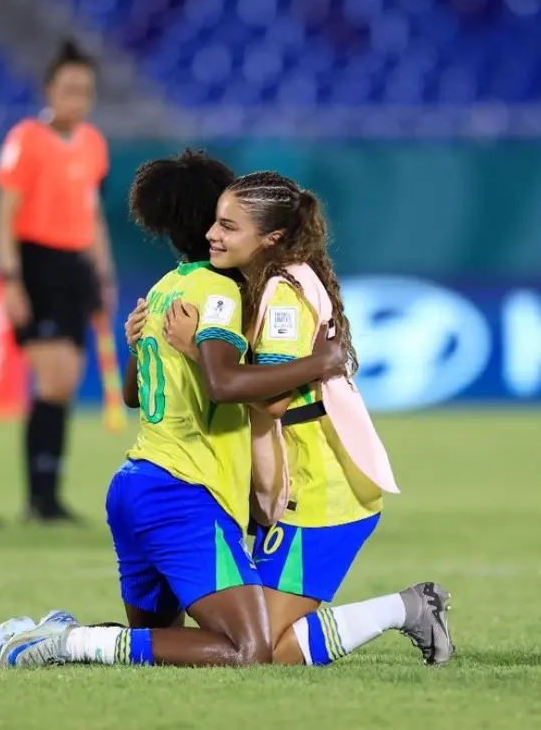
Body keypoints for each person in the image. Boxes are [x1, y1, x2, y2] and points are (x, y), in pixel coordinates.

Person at [0, 151, 348, 668]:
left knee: (158, 652)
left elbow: (136, 394)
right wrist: (320, 361)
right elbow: (227, 383)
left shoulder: (165, 288)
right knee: (248, 651)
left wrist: (138, 348)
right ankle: (69, 641)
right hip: (183, 493)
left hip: (134, 486)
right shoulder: (220, 292)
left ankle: (41, 639)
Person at [157, 171, 453, 666]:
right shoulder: (275, 279)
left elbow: (273, 400)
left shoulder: (283, 293)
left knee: (260, 650)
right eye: (215, 222)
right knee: (244, 636)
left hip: (322, 489)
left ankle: (406, 608)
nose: (213, 234)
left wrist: (193, 350)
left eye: (229, 227)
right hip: (302, 482)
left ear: (271, 237)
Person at [0, 40, 114, 522]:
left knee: (65, 383)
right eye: (68, 90)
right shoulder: (25, 139)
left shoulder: (92, 144)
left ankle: (49, 493)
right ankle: (39, 494)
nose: (77, 100)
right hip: (36, 263)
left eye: (85, 91)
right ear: (49, 91)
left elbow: (94, 214)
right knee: (53, 377)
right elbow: (5, 216)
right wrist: (10, 280)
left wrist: (103, 273)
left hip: (76, 267)